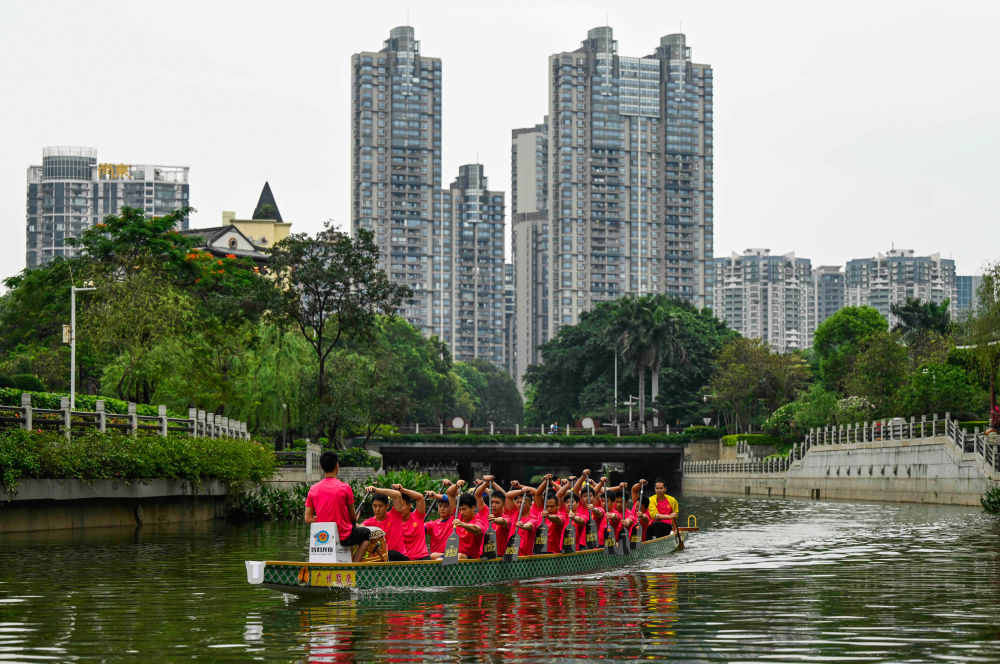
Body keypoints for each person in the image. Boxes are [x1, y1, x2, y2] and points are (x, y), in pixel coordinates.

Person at [304, 451, 371, 562]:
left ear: (321, 467)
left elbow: (308, 518)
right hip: (343, 537)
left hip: (324, 537)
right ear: (337, 466)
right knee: (366, 533)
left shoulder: (313, 489)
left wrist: (324, 519)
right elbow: (353, 517)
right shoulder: (345, 487)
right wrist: (352, 519)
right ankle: (355, 566)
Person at [363, 483, 429, 561]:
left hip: (421, 557)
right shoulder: (394, 519)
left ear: (409, 506)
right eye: (375, 506)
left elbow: (420, 497)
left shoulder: (414, 516)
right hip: (400, 558)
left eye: (402, 505)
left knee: (391, 554)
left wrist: (402, 490)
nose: (377, 509)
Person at [425, 479, 461, 556]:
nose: (442, 508)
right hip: (435, 558)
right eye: (440, 506)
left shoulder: (455, 519)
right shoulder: (432, 524)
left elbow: (460, 497)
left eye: (446, 506)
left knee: (433, 555)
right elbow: (420, 528)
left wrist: (451, 484)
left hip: (450, 556)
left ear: (451, 508)